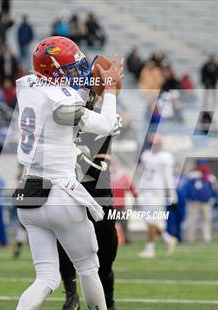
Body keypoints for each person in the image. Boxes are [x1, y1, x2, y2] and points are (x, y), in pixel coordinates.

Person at [13, 36, 123, 310]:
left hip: (29, 196)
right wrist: (108, 89)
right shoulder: (62, 101)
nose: (78, 74)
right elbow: (106, 123)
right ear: (54, 70)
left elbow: (62, 96)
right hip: (60, 194)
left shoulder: (29, 87)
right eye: (71, 69)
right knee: (88, 268)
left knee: (45, 279)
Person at [58, 99, 123, 310]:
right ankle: (71, 295)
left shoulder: (101, 123)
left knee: (104, 263)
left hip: (100, 198)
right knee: (65, 246)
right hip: (71, 197)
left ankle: (109, 303)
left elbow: (97, 168)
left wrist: (76, 157)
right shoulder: (61, 123)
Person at [138, 135, 178, 258]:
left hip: (156, 193)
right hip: (146, 191)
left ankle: (150, 249)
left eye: (156, 144)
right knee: (150, 221)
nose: (154, 146)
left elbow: (168, 178)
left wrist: (172, 195)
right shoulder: (146, 156)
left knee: (151, 221)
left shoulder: (165, 158)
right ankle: (168, 239)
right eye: (152, 144)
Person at [186, 160, 217, 243]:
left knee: (206, 220)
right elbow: (189, 188)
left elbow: (214, 189)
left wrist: (213, 198)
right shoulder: (192, 175)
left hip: (206, 202)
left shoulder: (210, 177)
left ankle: (207, 238)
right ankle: (190, 238)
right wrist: (191, 198)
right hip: (194, 202)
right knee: (192, 220)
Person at [111, 157, 138, 244]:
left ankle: (126, 239)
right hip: (110, 205)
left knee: (124, 223)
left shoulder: (122, 176)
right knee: (110, 224)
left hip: (121, 204)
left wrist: (135, 194)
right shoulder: (106, 176)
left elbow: (130, 186)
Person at [166, 164, 188, 242]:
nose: (177, 170)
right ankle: (169, 237)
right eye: (175, 168)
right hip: (171, 203)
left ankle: (179, 237)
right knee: (170, 220)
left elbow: (187, 191)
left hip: (181, 203)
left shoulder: (184, 179)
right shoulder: (169, 179)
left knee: (179, 220)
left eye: (178, 168)